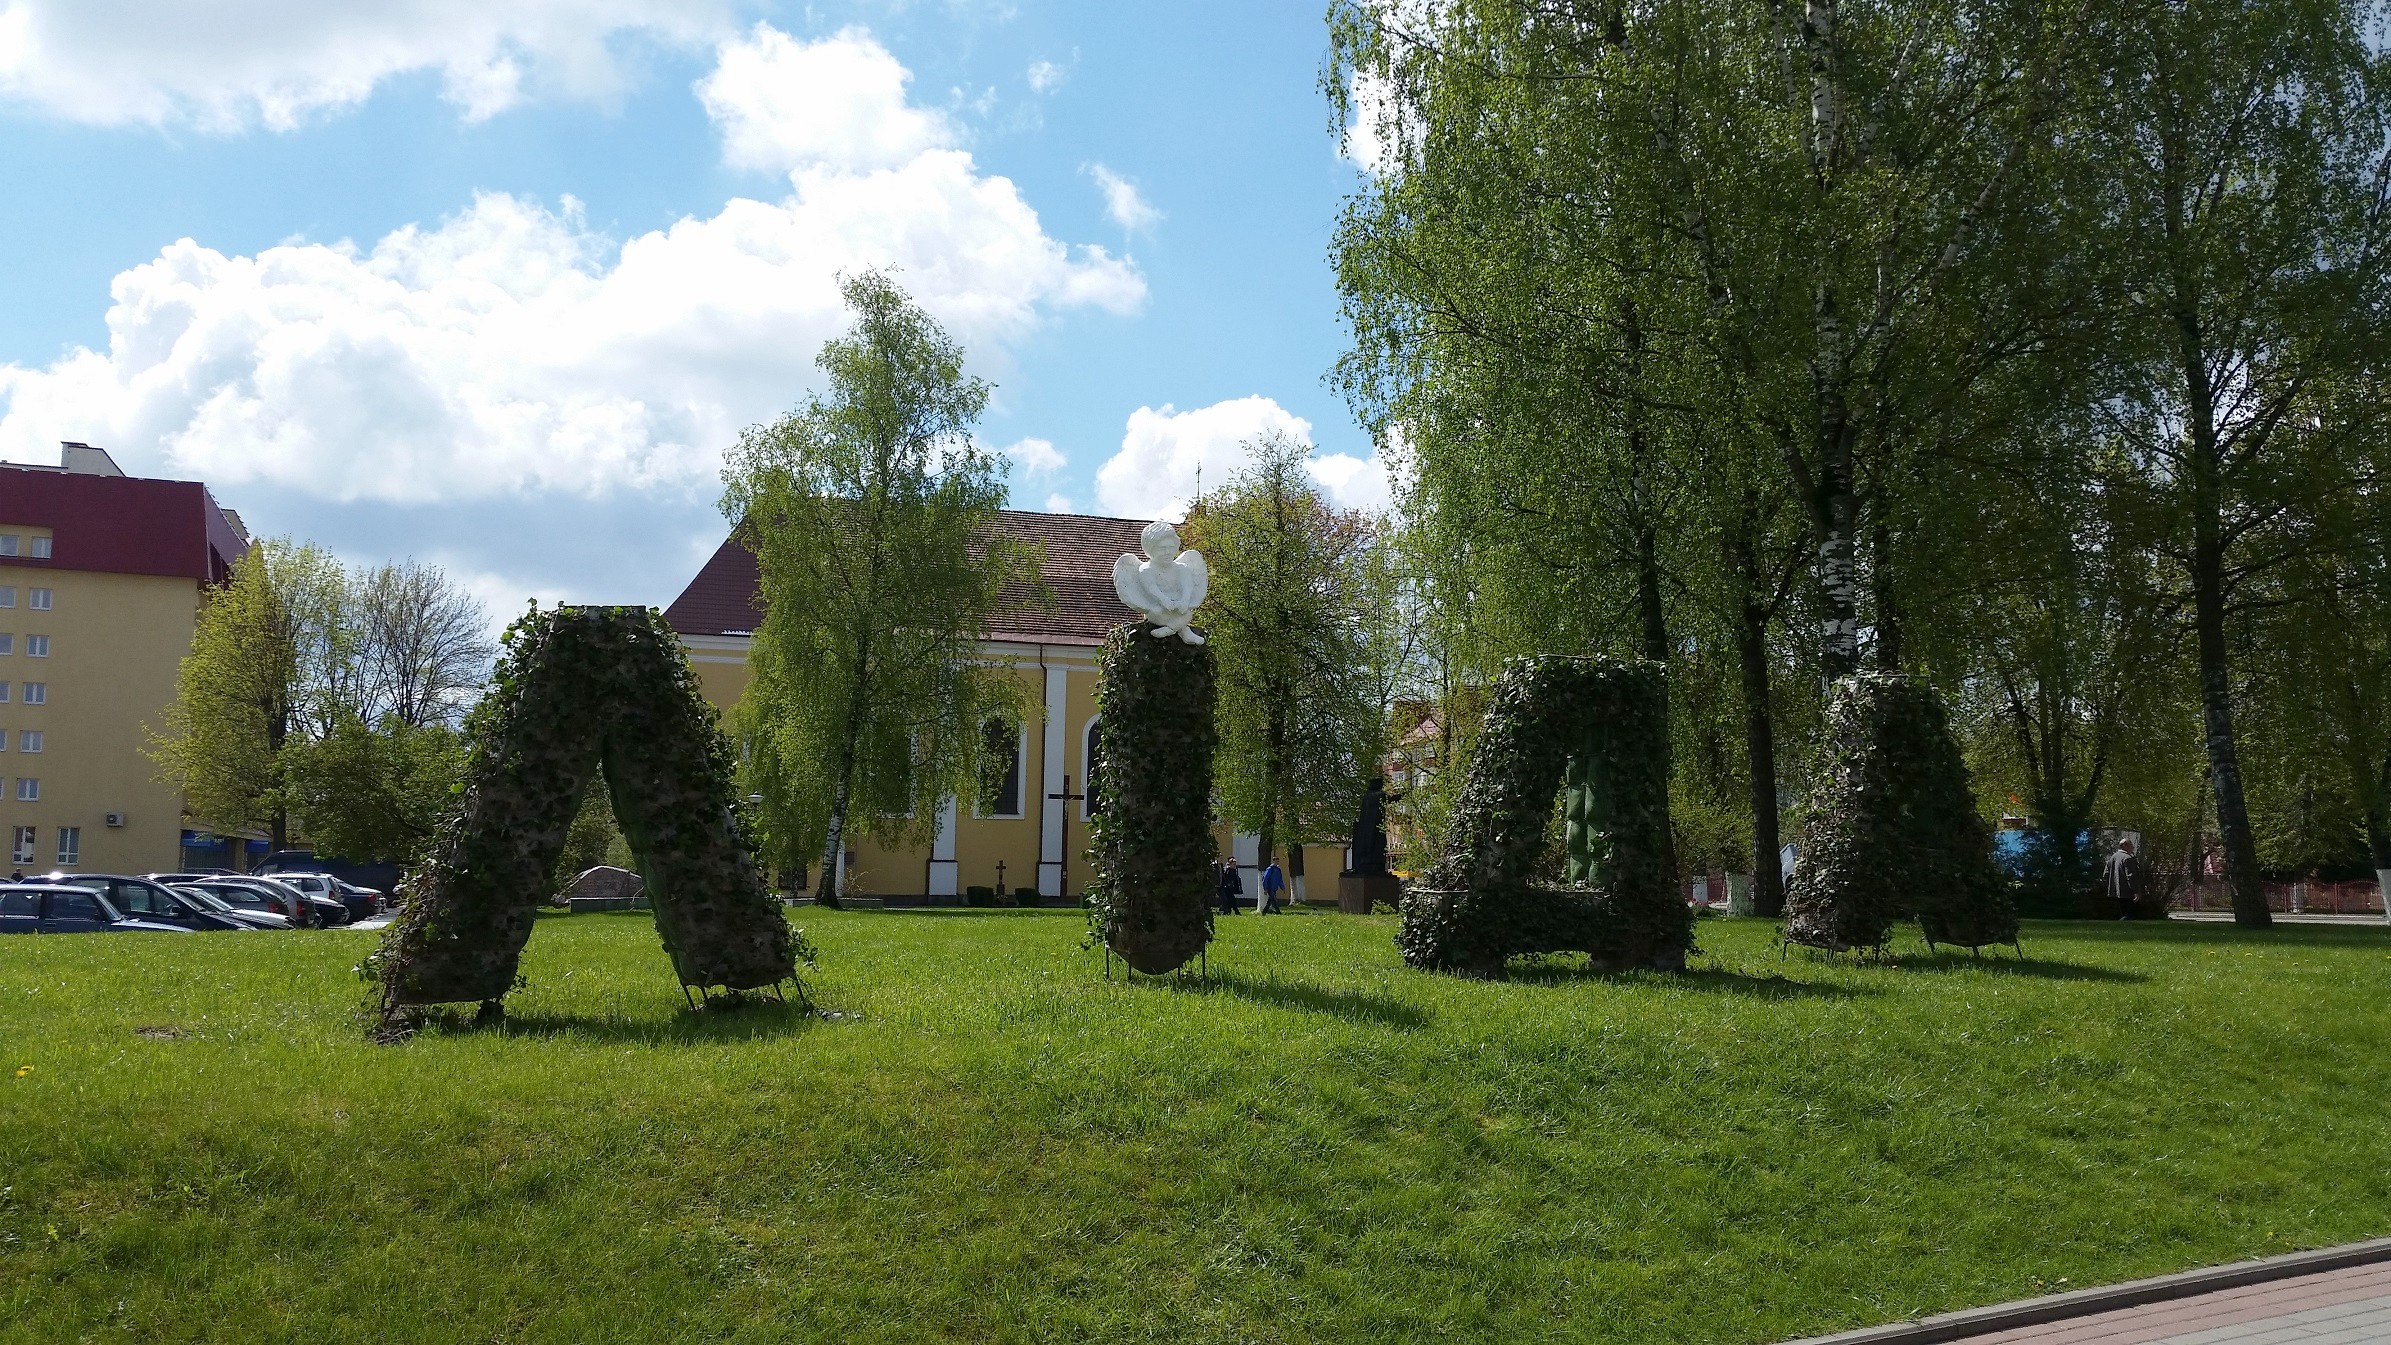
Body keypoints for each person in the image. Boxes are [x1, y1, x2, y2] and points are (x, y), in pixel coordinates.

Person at [2104, 838, 2142, 920]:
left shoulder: (2113, 857)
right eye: (2131, 845)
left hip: (2116, 891)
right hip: (2127, 892)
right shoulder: (2128, 858)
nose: (2133, 847)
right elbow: (2130, 876)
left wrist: (2111, 885)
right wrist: (2135, 891)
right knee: (2129, 915)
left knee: (2122, 912)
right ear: (2125, 846)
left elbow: (2106, 874)